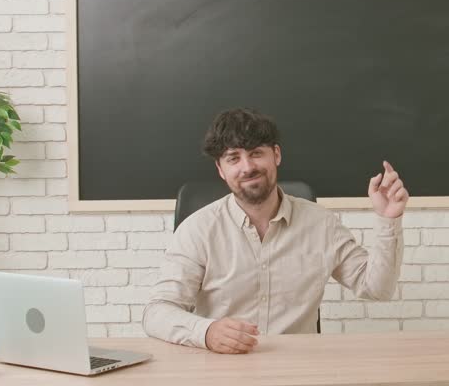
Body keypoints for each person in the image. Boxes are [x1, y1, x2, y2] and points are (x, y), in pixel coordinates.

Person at [142, 108, 408, 354]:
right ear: (221, 170)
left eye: (256, 153)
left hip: (298, 369)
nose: (247, 167)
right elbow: (157, 312)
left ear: (276, 155)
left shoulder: (322, 224)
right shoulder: (197, 230)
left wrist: (388, 220)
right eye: (234, 158)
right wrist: (206, 332)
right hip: (223, 371)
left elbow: (377, 289)